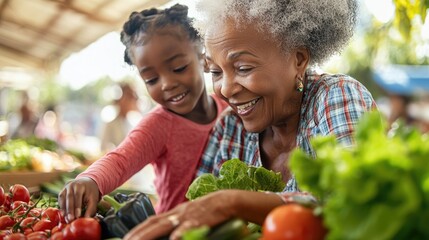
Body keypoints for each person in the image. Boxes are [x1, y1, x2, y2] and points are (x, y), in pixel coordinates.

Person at [123, 0, 377, 239]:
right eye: (215, 71)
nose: (225, 89)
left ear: (298, 59)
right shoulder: (229, 127)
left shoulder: (337, 96)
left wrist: (234, 203)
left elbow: (354, 200)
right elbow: (198, 210)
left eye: (243, 68)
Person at [58, 3, 229, 222]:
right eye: (151, 79)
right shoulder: (159, 124)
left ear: (203, 59)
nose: (167, 84)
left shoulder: (229, 109)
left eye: (178, 68)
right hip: (173, 230)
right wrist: (91, 179)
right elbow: (121, 159)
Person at [99, 83, 141, 152]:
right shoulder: (110, 123)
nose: (134, 100)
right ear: (121, 98)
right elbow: (103, 148)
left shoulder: (135, 123)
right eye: (129, 96)